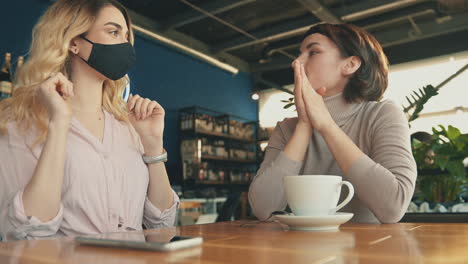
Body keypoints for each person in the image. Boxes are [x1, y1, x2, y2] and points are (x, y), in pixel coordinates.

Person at [0, 0, 179, 240]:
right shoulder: (19, 124)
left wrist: (153, 145)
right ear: (74, 42)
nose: (125, 45)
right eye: (113, 31)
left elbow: (164, 226)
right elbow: (24, 232)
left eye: (126, 36)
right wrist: (60, 125)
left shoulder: (128, 128)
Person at [248, 23, 417, 224]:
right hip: (299, 251)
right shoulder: (287, 129)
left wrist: (326, 126)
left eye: (313, 52)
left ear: (350, 64)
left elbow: (393, 207)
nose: (296, 62)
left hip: (369, 251)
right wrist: (304, 125)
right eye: (300, 54)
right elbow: (263, 209)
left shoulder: (382, 114)